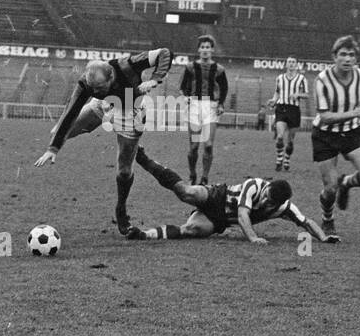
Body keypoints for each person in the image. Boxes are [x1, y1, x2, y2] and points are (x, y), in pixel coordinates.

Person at [34, 47, 173, 233]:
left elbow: (164, 53)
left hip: (130, 111)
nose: (95, 91)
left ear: (111, 77)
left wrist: (155, 78)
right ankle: (94, 130)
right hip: (104, 105)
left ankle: (121, 210)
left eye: (100, 88)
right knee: (58, 131)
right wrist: (53, 148)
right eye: (93, 89)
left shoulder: (128, 64)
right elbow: (71, 112)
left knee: (124, 171)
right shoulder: (86, 83)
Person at [125, 147, 339, 244]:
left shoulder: (285, 208)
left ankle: (143, 235)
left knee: (189, 230)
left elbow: (306, 222)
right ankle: (144, 159)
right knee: (186, 192)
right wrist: (253, 238)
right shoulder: (254, 184)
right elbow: (243, 215)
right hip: (217, 196)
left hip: (218, 220)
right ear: (266, 187)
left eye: (270, 203)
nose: (264, 202)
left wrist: (323, 237)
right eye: (266, 196)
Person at [312, 35, 360, 235]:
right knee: (330, 189)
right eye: (343, 54)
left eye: (351, 55)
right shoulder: (322, 80)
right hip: (325, 135)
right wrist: (355, 113)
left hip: (351, 133)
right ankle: (327, 218)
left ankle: (346, 182)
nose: (347, 59)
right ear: (334, 57)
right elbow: (324, 117)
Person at [179, 35, 229, 184]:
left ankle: (204, 178)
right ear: (198, 50)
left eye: (208, 47)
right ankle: (192, 173)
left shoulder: (219, 69)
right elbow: (182, 88)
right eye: (203, 47)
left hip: (211, 107)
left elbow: (224, 88)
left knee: (208, 145)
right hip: (194, 106)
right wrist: (185, 97)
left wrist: (220, 104)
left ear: (212, 49)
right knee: (194, 146)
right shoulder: (190, 67)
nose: (205, 50)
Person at [267, 55, 309, 171]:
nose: (291, 64)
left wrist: (298, 95)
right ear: (286, 64)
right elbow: (277, 93)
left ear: (296, 64)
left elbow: (306, 94)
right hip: (281, 107)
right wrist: (273, 100)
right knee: (280, 136)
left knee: (290, 140)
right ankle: (279, 159)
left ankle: (287, 158)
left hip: (294, 110)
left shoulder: (302, 79)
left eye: (293, 62)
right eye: (289, 62)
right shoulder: (280, 78)